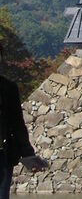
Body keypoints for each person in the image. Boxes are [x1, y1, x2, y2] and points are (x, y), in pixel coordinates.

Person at [0, 41, 48, 199]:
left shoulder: (8, 88)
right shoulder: (7, 88)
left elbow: (17, 125)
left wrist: (28, 155)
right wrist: (28, 155)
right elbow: (18, 126)